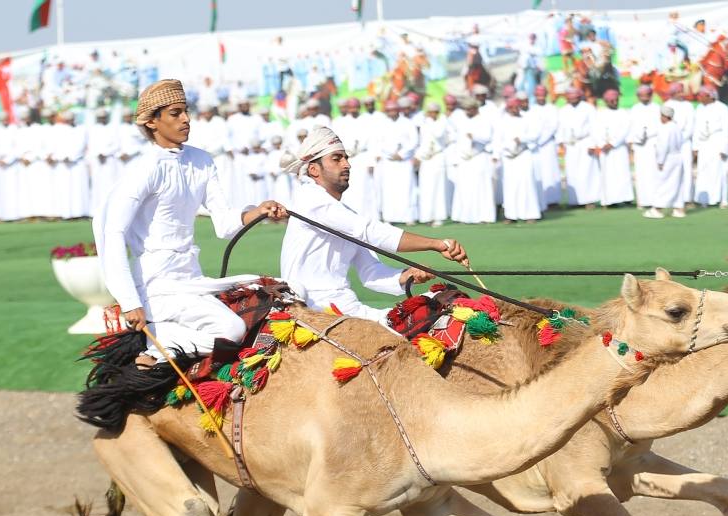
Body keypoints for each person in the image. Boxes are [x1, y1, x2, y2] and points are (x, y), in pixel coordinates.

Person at [94, 79, 287, 366]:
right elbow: (112, 234)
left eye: (185, 111)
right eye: (175, 113)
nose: (185, 119)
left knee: (281, 293)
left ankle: (165, 342)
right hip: (155, 285)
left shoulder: (202, 161)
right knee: (232, 330)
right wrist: (129, 300)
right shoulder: (145, 169)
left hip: (192, 280)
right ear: (152, 122)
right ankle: (158, 349)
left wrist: (258, 211)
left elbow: (224, 223)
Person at [279, 126, 469, 323]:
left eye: (346, 158)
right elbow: (370, 232)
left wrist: (408, 275)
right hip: (312, 309)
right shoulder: (309, 200)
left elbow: (370, 272)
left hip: (344, 306)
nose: (347, 165)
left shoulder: (343, 215)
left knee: (441, 307)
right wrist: (436, 244)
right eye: (337, 159)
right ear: (313, 169)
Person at [450, 96, 496, 223]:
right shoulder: (463, 121)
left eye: (470, 109)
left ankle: (483, 217)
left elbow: (487, 137)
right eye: (466, 109)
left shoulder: (484, 120)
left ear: (475, 108)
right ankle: (463, 216)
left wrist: (475, 136)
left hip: (478, 157)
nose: (467, 112)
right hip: (464, 159)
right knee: (464, 187)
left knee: (480, 187)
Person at [495, 96, 541, 223]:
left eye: (516, 107)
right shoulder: (502, 122)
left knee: (527, 184)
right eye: (511, 107)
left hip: (524, 154)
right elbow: (497, 140)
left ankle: (530, 214)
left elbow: (535, 135)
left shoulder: (527, 119)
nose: (514, 110)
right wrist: (497, 154)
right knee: (510, 186)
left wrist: (522, 139)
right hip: (509, 157)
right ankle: (511, 215)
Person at [377, 98, 419, 224]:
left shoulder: (408, 123)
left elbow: (414, 141)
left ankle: (408, 218)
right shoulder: (383, 124)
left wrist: (402, 154)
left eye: (394, 110)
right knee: (389, 189)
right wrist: (391, 153)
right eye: (389, 110)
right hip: (389, 161)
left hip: (404, 161)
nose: (391, 112)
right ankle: (389, 218)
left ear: (398, 110)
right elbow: (379, 142)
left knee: (407, 188)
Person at [557, 86, 600, 207]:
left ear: (579, 96)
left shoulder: (588, 108)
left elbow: (595, 126)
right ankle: (574, 201)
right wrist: (560, 143)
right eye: (570, 97)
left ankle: (589, 200)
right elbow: (559, 128)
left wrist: (593, 144)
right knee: (572, 172)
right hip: (570, 144)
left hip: (585, 143)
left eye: (574, 96)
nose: (572, 99)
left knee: (587, 172)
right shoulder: (563, 110)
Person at [644, 103, 684, 219]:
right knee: (677, 183)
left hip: (668, 158)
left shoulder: (665, 128)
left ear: (665, 116)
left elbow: (663, 146)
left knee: (663, 184)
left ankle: (657, 209)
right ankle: (678, 209)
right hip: (678, 157)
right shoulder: (676, 127)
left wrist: (660, 161)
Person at [692, 86, 728, 207]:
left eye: (702, 96)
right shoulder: (699, 108)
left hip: (717, 142)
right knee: (703, 171)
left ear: (709, 96)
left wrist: (724, 148)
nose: (700, 99)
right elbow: (696, 129)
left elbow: (726, 128)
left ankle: (722, 199)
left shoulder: (722, 108)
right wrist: (695, 147)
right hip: (703, 144)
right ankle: (704, 199)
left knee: (720, 171)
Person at [594, 88, 633, 207]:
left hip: (619, 148)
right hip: (605, 149)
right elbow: (596, 130)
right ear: (606, 101)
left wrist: (613, 143)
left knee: (622, 173)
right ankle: (609, 200)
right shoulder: (600, 113)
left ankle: (625, 198)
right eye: (611, 100)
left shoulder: (624, 112)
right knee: (608, 174)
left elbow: (625, 130)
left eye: (616, 100)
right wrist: (602, 144)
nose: (614, 102)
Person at [416, 101, 450, 226]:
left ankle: (438, 217)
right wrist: (420, 155)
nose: (432, 115)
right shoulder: (424, 123)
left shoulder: (442, 121)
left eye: (435, 112)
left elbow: (439, 134)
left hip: (438, 156)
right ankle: (427, 217)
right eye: (430, 112)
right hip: (426, 158)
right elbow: (422, 141)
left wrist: (431, 122)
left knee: (439, 188)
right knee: (426, 187)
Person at [628, 83, 660, 210]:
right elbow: (631, 127)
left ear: (651, 95)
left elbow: (659, 126)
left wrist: (648, 134)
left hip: (653, 143)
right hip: (639, 146)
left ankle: (655, 200)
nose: (644, 98)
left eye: (646, 95)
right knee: (641, 173)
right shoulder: (634, 109)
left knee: (653, 172)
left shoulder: (657, 108)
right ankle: (642, 201)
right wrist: (636, 138)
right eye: (641, 96)